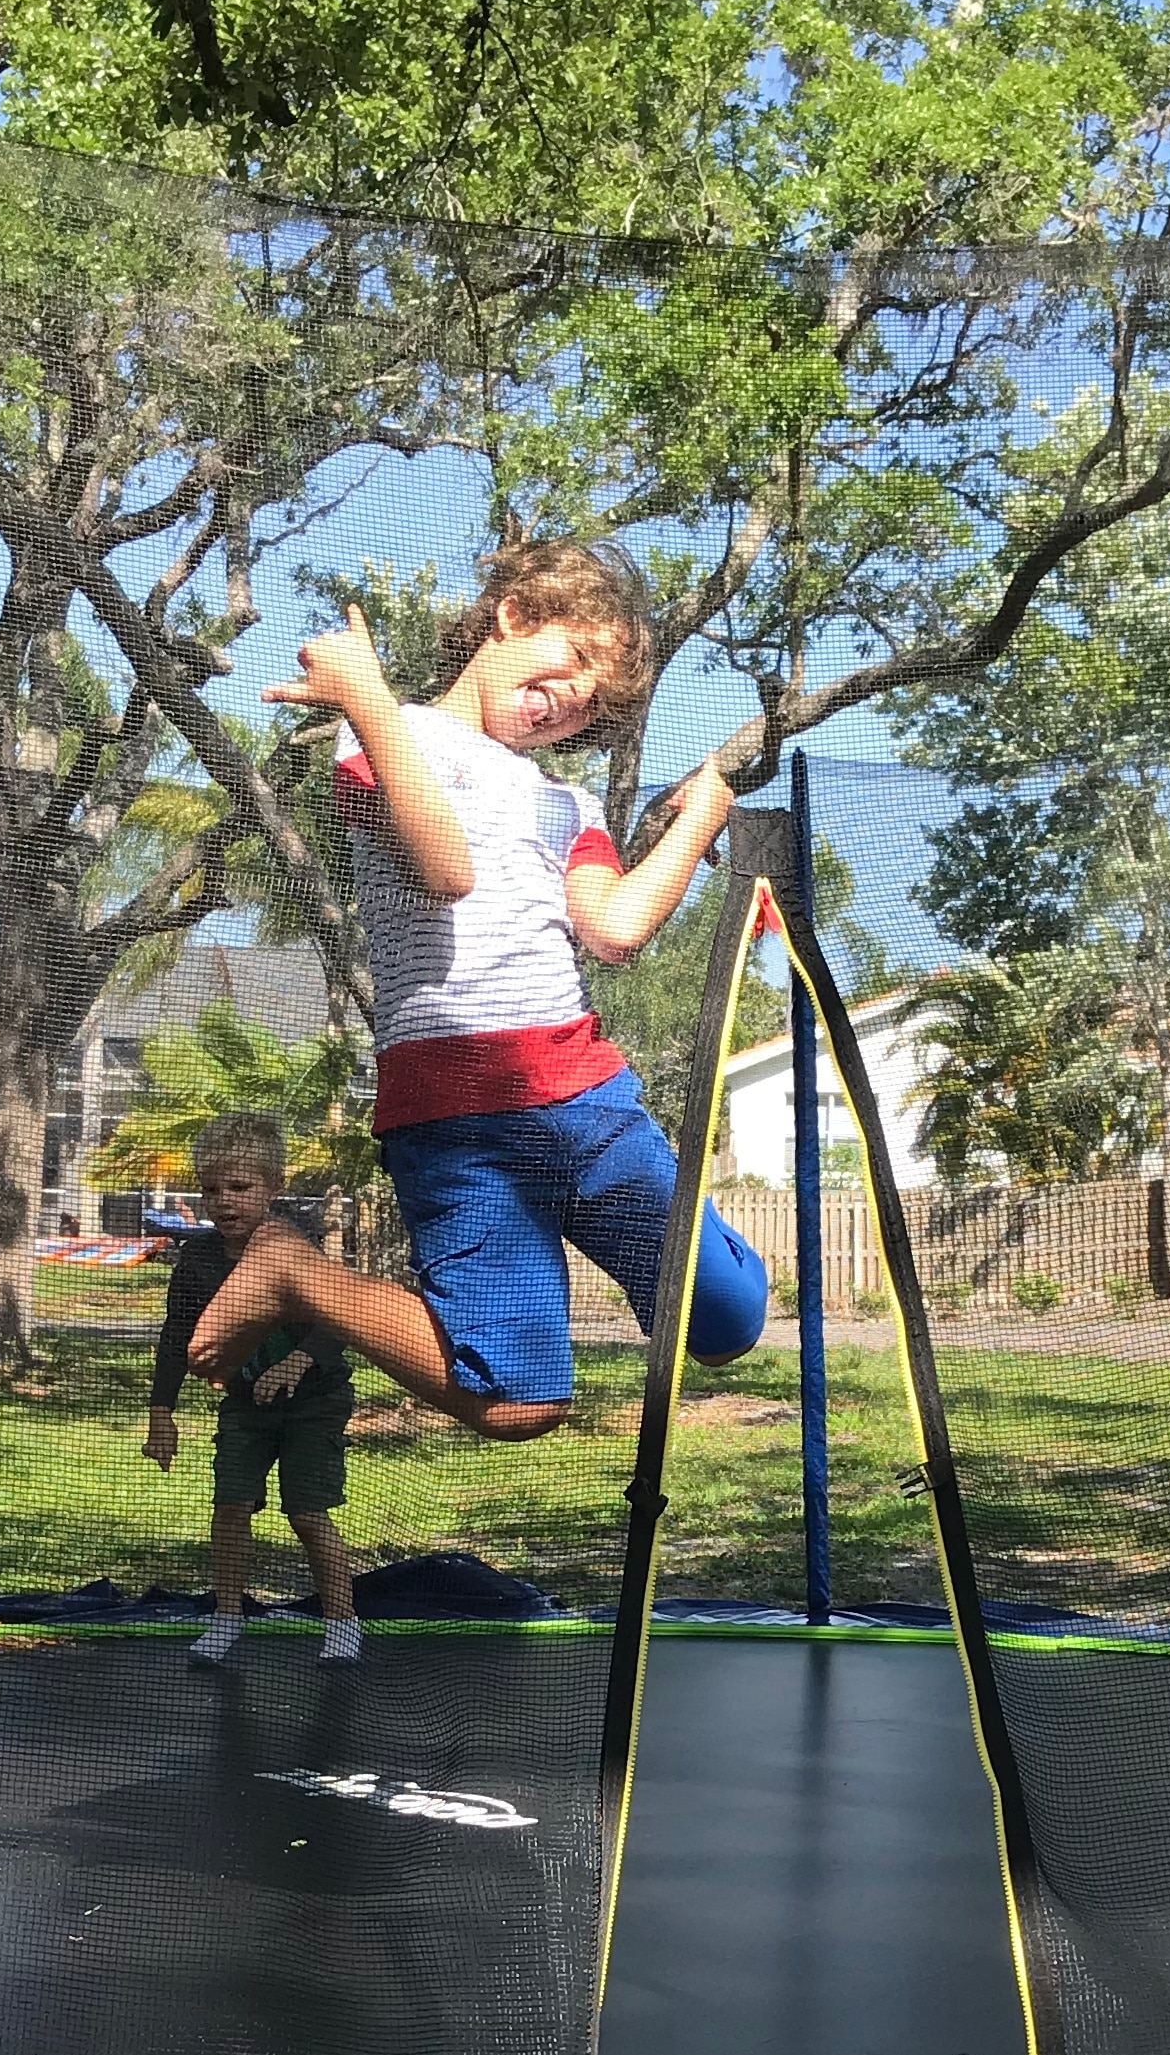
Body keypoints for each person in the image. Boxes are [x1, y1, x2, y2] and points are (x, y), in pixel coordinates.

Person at [185, 542, 769, 1435]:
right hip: (459, 1120)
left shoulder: (568, 804)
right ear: (513, 615)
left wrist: (700, 818)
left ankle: (701, 1260)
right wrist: (368, 696)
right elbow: (445, 870)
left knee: (728, 1324)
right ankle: (292, 1273)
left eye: (593, 703)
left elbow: (614, 929)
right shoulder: (388, 733)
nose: (573, 698)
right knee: (518, 1404)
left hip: (586, 1098)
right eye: (573, 659)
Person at [142, 1113, 364, 1668]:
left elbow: (341, 1317)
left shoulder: (295, 1247)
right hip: (245, 1406)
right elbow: (176, 1336)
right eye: (212, 1190)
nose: (224, 1202)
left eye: (240, 1188)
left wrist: (297, 1362)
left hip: (314, 1403)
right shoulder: (198, 1259)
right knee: (230, 1507)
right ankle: (226, 1617)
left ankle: (342, 1623)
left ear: (274, 1187)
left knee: (307, 1514)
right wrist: (161, 1412)